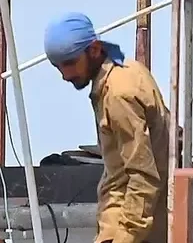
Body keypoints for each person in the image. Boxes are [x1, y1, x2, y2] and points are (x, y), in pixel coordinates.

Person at [45, 13, 169, 243]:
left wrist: (126, 234)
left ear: (94, 49)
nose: (65, 75)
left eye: (70, 63)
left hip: (128, 226)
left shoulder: (118, 94)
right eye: (57, 66)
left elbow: (143, 174)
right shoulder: (129, 70)